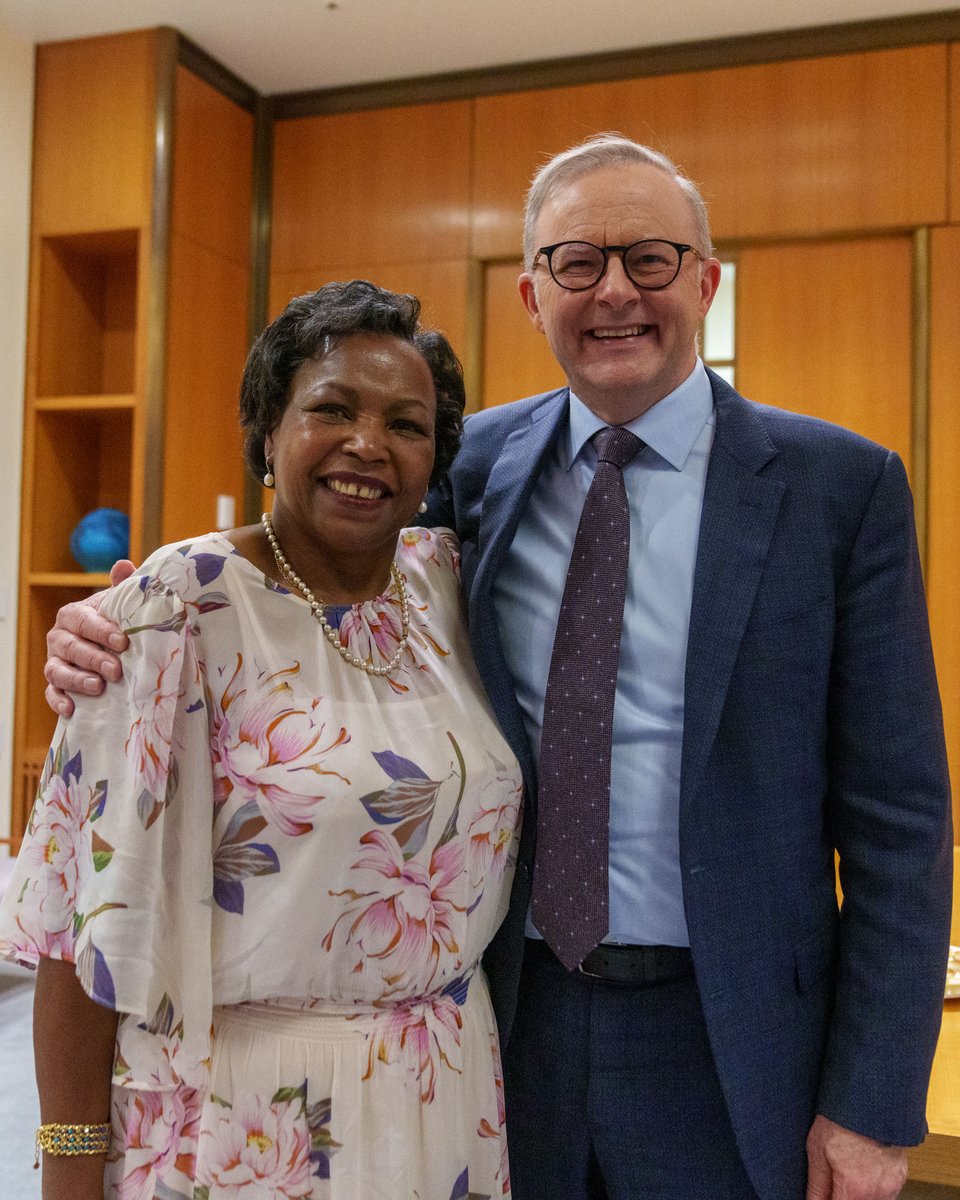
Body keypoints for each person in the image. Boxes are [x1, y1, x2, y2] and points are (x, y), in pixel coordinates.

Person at [43, 136, 953, 1200]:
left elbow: (900, 819)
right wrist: (123, 615)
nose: (615, 291)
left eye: (651, 259)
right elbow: (311, 549)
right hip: (508, 1024)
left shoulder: (839, 489)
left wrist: (873, 1101)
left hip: (733, 1038)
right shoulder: (466, 467)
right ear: (533, 295)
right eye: (578, 262)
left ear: (705, 281)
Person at [4, 280, 522, 1200]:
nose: (368, 444)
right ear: (268, 431)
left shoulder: (451, 587)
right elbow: (79, 934)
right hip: (242, 1120)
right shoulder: (178, 609)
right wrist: (69, 1170)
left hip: (443, 1098)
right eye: (332, 409)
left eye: (407, 424)